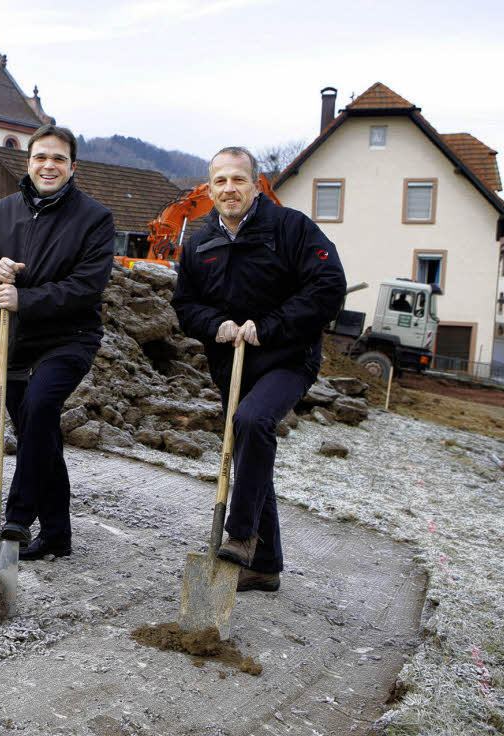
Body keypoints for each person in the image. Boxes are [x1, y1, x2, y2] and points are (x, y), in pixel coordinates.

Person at [171, 146, 346, 592]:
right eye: (220, 182)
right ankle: (265, 566)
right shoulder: (198, 243)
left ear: (256, 183)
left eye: (239, 180)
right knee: (250, 446)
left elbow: (328, 287)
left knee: (251, 421)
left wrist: (267, 327)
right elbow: (186, 305)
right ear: (209, 189)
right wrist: (218, 325)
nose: (230, 189)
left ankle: (243, 534)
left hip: (288, 357)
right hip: (231, 363)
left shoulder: (291, 229)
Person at [0, 124, 115, 560]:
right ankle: (56, 535)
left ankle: (17, 516)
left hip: (70, 338)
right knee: (39, 434)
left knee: (39, 407)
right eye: (40, 157)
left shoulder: (95, 218)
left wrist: (24, 298)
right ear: (28, 161)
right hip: (17, 341)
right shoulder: (4, 211)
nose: (48, 166)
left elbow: (87, 286)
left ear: (72, 167)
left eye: (57, 159)